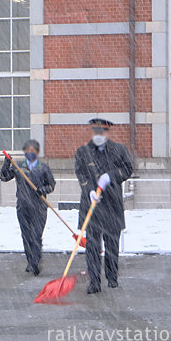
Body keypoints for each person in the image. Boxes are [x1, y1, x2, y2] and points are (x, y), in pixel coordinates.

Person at [75, 118, 133, 294]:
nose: (98, 136)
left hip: (112, 204)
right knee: (92, 246)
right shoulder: (83, 152)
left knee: (112, 244)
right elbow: (80, 173)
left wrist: (111, 176)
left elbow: (128, 169)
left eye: (102, 132)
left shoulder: (119, 150)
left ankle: (112, 276)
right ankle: (94, 281)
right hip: (92, 206)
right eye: (95, 132)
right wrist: (90, 190)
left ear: (108, 133)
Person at [0, 139, 56, 276]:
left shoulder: (43, 168)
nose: (30, 153)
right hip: (23, 207)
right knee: (26, 236)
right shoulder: (18, 166)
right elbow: (4, 177)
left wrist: (43, 190)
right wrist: (6, 163)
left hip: (39, 208)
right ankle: (30, 261)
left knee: (36, 235)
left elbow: (51, 185)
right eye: (28, 151)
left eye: (33, 151)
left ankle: (35, 262)